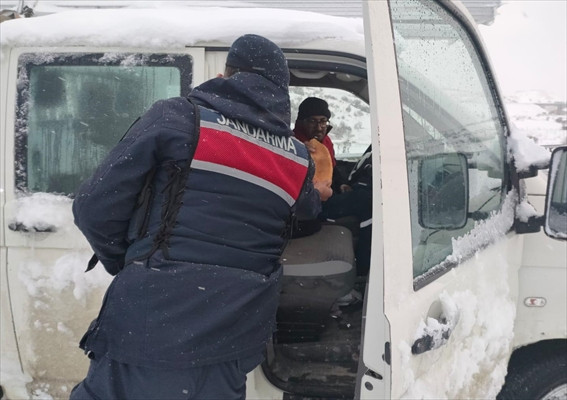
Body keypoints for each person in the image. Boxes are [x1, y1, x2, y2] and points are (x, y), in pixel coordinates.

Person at [70, 34, 332, 400]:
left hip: (150, 327)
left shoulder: (178, 118)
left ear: (227, 75)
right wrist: (321, 192)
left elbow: (94, 206)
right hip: (232, 338)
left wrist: (132, 264)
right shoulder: (296, 158)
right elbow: (308, 209)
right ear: (280, 90)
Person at [320, 145, 372, 276]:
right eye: (313, 122)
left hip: (336, 192)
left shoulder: (325, 143)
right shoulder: (302, 146)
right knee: (368, 204)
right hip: (314, 201)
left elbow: (335, 171)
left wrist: (342, 184)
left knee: (367, 201)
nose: (319, 126)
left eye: (322, 122)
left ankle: (364, 270)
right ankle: (363, 271)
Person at [293, 97, 336, 167]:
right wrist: (300, 152)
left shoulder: (327, 141)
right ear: (301, 123)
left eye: (323, 121)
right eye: (312, 121)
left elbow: (333, 168)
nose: (319, 128)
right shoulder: (292, 144)